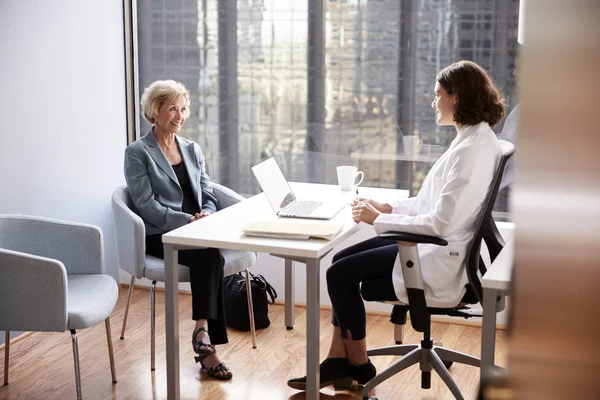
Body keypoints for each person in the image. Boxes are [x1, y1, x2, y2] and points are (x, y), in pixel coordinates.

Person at [287, 60, 505, 391]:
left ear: (456, 97)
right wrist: (388, 207)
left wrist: (380, 219)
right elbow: (436, 202)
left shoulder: (470, 152)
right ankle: (337, 360)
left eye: (437, 95)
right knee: (339, 262)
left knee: (337, 273)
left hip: (436, 254)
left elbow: (441, 223)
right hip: (435, 244)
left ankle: (358, 365)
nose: (433, 103)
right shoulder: (474, 140)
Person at [124, 80, 232, 380]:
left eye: (183, 108)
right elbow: (145, 205)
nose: (179, 115)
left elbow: (207, 191)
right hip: (160, 233)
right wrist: (186, 221)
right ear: (154, 110)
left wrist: (207, 213)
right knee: (211, 255)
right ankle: (206, 343)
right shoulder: (137, 152)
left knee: (209, 253)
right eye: (172, 108)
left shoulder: (192, 148)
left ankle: (202, 333)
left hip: (195, 227)